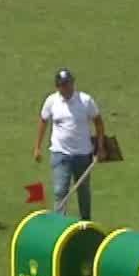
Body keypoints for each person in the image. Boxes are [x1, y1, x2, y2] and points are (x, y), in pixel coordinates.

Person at [34, 68, 106, 220]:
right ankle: (59, 226)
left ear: (73, 84)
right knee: (60, 191)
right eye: (62, 85)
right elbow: (43, 121)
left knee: (84, 192)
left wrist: (100, 147)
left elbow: (98, 123)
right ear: (57, 87)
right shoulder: (52, 101)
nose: (66, 88)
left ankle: (86, 224)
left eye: (68, 84)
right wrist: (37, 147)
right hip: (60, 154)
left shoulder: (85, 101)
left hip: (83, 154)